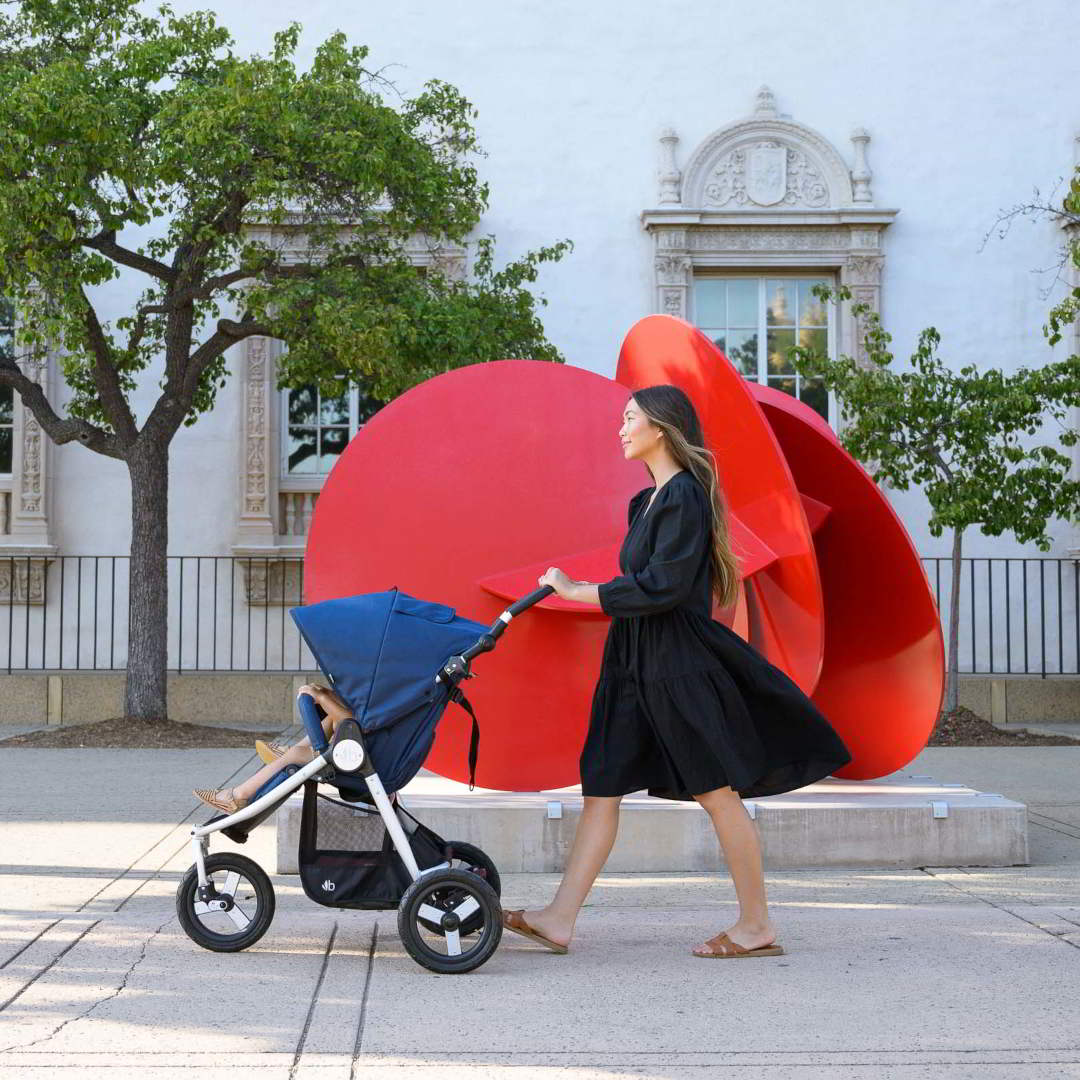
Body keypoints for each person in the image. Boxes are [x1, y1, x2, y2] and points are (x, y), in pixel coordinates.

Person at [501, 385, 852, 959]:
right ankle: (558, 919)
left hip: (673, 664)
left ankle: (756, 926)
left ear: (660, 429)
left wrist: (576, 590)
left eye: (630, 418)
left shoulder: (686, 495)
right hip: (631, 661)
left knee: (716, 791)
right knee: (602, 786)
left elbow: (662, 588)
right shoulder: (644, 504)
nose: (621, 428)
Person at [193, 683, 352, 813]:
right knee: (332, 716)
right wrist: (327, 693)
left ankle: (237, 796)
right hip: (354, 751)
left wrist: (323, 697)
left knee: (296, 754)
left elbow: (354, 723)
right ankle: (289, 753)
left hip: (357, 759)